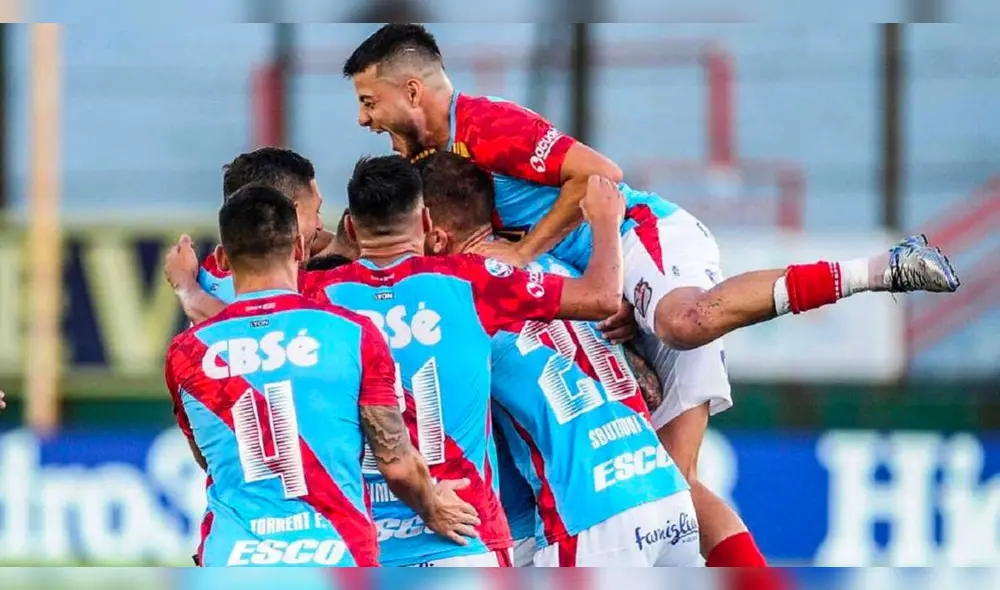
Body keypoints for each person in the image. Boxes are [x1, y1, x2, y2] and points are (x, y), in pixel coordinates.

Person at [343, 23, 962, 566]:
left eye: (369, 101)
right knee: (675, 484)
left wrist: (531, 257)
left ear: (413, 90)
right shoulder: (437, 156)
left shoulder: (483, 123)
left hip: (643, 235)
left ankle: (879, 268)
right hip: (604, 277)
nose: (363, 120)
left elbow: (601, 176)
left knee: (686, 320)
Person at [297, 154, 628, 566]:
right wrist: (606, 222)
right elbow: (601, 298)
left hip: (362, 546)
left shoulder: (310, 298)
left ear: (349, 227)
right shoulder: (472, 281)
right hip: (467, 535)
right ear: (425, 221)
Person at [163, 184, 478, 567]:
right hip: (336, 553)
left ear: (223, 260)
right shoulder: (352, 333)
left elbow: (207, 456)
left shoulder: (186, 353)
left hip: (234, 556)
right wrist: (432, 507)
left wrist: (188, 289)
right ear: (299, 248)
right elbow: (394, 462)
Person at [415, 151, 699, 567]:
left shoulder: (458, 298)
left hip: (591, 515)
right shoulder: (562, 272)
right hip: (666, 494)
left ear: (433, 234)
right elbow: (648, 389)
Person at [164, 147, 355, 323]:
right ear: (285, 212)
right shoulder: (313, 286)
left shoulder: (209, 275)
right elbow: (246, 330)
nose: (320, 224)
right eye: (316, 211)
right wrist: (186, 287)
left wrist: (186, 285)